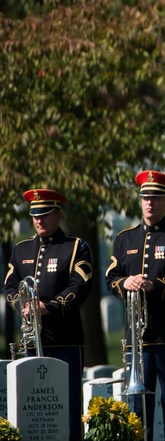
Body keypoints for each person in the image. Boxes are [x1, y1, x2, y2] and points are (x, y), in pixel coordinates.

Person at [106, 171, 165, 441]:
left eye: (156, 198)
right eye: (145, 197)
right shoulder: (125, 239)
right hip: (137, 338)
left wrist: (154, 285)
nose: (149, 203)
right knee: (138, 407)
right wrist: (126, 283)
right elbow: (110, 279)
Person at [5, 189, 93, 441]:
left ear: (58, 214)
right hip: (32, 341)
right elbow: (10, 286)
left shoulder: (76, 247)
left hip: (66, 339)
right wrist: (21, 304)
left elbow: (80, 285)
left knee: (68, 404)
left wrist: (49, 306)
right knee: (32, 406)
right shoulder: (21, 250)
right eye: (35, 215)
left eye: (44, 215)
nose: (39, 220)